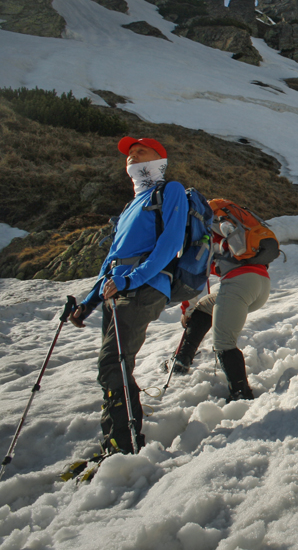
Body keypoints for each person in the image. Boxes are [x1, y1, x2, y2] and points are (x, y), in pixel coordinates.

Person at [70, 136, 187, 455]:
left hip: (144, 286)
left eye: (140, 152)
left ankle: (122, 446)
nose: (132, 157)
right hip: (116, 289)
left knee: (112, 364)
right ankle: (117, 439)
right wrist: (89, 302)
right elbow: (111, 259)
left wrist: (132, 279)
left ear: (159, 159)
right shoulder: (130, 205)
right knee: (115, 366)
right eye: (129, 154)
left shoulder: (170, 191)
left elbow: (170, 242)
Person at [170, 200, 277, 401]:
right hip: (261, 283)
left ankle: (241, 395)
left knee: (223, 343)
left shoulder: (200, 230)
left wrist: (187, 310)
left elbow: (194, 274)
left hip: (239, 284)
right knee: (205, 307)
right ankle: (182, 359)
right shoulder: (230, 224)